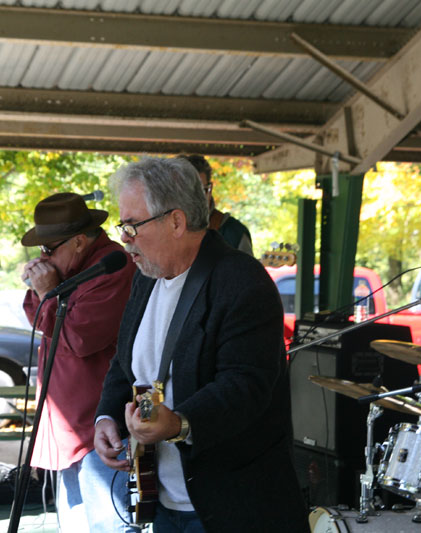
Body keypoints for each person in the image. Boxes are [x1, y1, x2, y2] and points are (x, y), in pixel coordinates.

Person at [94, 158, 308, 532]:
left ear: (176, 222)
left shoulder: (242, 280)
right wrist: (106, 417)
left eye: (132, 225)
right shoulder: (147, 277)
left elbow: (245, 385)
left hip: (233, 506)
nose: (124, 237)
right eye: (122, 225)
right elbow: (125, 363)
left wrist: (178, 423)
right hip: (161, 501)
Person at [20, 192, 137, 532]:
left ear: (80, 241)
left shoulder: (111, 267)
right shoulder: (70, 268)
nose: (43, 258)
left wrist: (47, 292)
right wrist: (41, 292)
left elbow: (79, 339)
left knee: (107, 524)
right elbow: (38, 317)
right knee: (73, 524)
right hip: (68, 423)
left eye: (49, 249)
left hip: (97, 425)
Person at [177, 154, 253, 256]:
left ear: (210, 189)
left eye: (200, 191)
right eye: (186, 191)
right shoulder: (162, 230)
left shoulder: (234, 234)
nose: (193, 198)